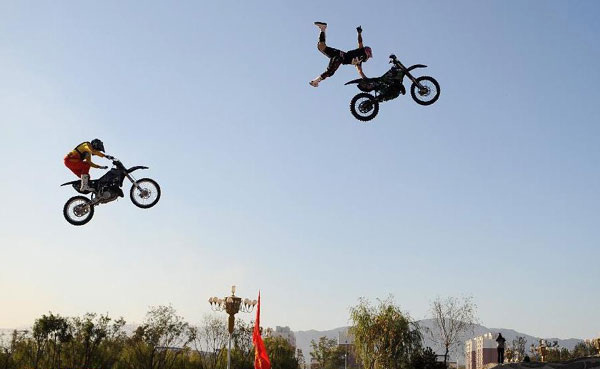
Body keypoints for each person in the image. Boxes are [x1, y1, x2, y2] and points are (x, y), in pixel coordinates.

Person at [309, 22, 373, 87]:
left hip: (338, 53)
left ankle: (323, 28)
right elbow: (360, 42)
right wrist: (359, 33)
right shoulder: (361, 51)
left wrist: (366, 79)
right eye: (368, 57)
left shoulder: (359, 62)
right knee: (330, 72)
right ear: (367, 53)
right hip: (340, 57)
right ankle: (315, 81)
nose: (368, 59)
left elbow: (360, 72)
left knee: (321, 47)